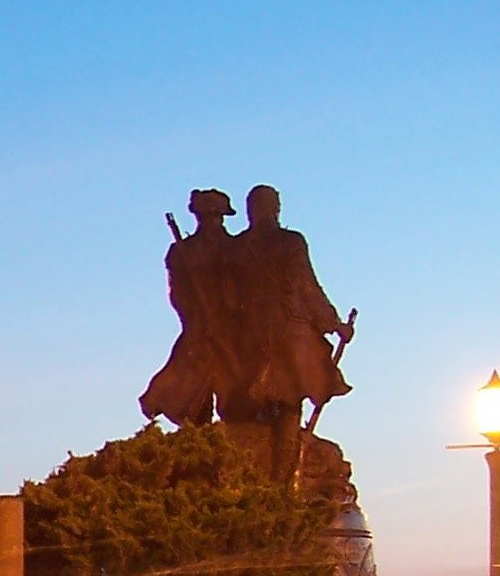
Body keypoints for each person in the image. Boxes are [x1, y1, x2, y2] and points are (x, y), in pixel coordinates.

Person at [233, 184, 352, 478]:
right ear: (276, 208)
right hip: (282, 334)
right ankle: (284, 480)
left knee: (248, 408)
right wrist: (334, 324)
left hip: (243, 337)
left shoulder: (235, 247)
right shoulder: (290, 242)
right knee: (289, 404)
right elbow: (305, 285)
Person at [140, 188, 243, 426]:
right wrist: (198, 319)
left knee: (237, 391)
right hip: (200, 330)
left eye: (216, 217)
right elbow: (179, 295)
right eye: (209, 216)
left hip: (235, 331)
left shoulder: (236, 248)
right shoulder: (181, 253)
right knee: (193, 391)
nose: (212, 222)